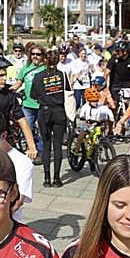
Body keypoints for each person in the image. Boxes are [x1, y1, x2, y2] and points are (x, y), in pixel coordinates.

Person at [30, 47, 74, 187]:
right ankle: (57, 178)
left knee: (46, 145)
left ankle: (47, 179)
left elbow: (33, 95)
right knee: (58, 145)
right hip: (59, 112)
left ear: (45, 60)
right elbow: (68, 93)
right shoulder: (62, 75)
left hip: (44, 112)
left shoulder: (38, 76)